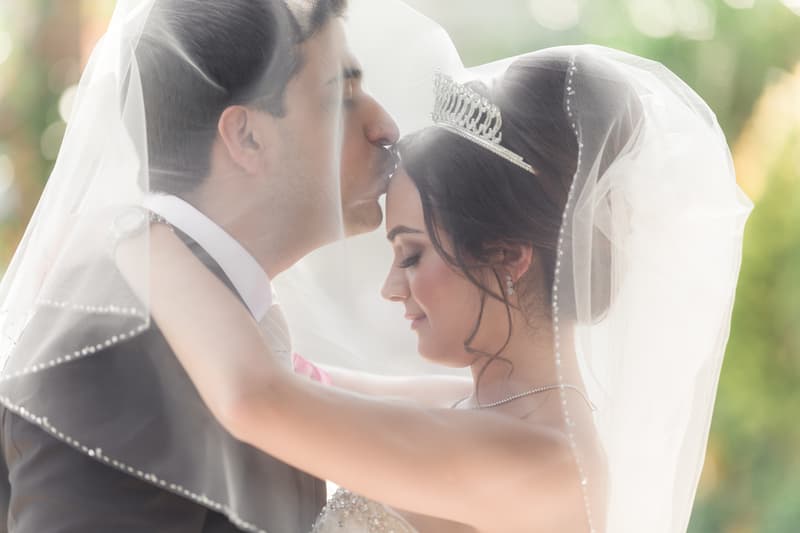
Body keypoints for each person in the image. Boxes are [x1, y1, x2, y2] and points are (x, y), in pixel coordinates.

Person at [120, 44, 753, 532]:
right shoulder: (472, 404)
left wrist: (129, 231)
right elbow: (295, 376)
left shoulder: (546, 464)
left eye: (412, 254)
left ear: (508, 257)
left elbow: (257, 400)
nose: (391, 289)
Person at [0, 0, 400, 531]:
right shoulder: (111, 350)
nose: (386, 127)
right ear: (248, 137)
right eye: (343, 95)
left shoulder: (215, 322)